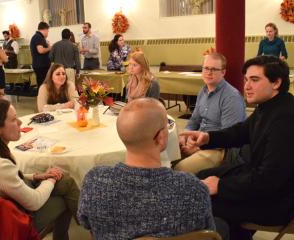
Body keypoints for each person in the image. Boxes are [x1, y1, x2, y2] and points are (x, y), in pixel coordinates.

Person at [181, 55, 294, 240]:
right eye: (246, 80)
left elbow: (270, 180)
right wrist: (207, 138)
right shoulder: (270, 105)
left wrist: (222, 186)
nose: (247, 86)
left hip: (279, 200)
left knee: (201, 198)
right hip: (260, 180)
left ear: (276, 83)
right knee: (200, 177)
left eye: (255, 80)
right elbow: (241, 131)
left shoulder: (285, 119)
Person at [78, 98, 215, 239]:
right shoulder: (193, 189)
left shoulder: (94, 182)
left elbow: (86, 223)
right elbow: (207, 234)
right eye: (167, 126)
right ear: (160, 137)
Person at [0, 98, 80, 240]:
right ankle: (89, 227)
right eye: (13, 120)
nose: (20, 123)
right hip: (7, 222)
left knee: (65, 180)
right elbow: (34, 202)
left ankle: (78, 227)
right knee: (66, 191)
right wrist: (51, 180)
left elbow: (4, 179)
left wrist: (36, 176)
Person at [174, 52, 246, 174]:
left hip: (219, 149)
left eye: (214, 69)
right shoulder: (203, 91)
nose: (208, 72)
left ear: (223, 72)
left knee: (180, 170)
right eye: (206, 68)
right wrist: (185, 136)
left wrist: (199, 148)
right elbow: (194, 120)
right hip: (199, 141)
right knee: (165, 155)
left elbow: (229, 137)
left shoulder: (231, 97)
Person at [30, 22, 52, 89]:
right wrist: (50, 48)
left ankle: (43, 97)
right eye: (48, 31)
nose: (48, 33)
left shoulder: (39, 37)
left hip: (41, 65)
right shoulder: (38, 37)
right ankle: (42, 98)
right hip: (41, 66)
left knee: (43, 84)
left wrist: (47, 45)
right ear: (45, 29)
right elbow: (41, 50)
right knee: (42, 84)